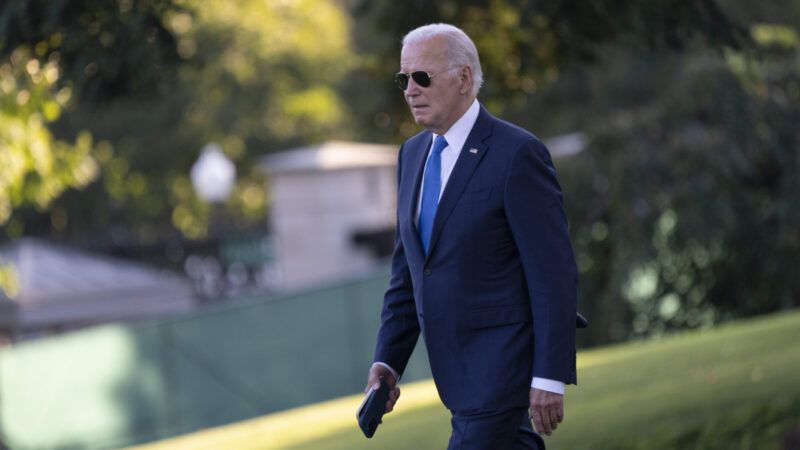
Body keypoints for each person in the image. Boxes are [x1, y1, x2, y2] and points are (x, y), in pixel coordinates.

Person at [365, 23, 580, 449]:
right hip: (455, 374)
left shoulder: (517, 153)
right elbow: (408, 274)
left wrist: (549, 376)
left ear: (464, 78)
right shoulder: (411, 155)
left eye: (422, 77)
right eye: (403, 79)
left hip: (503, 367)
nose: (410, 90)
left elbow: (553, 273)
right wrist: (387, 360)